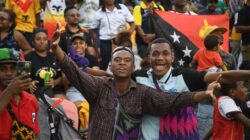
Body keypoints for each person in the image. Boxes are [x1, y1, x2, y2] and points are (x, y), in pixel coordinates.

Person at [50, 28, 220, 139]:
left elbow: (172, 100)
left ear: (133, 67)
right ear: (111, 65)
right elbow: (75, 73)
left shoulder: (142, 92)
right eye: (117, 60)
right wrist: (57, 49)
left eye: (126, 60)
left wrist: (203, 94)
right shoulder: (99, 87)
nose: (122, 63)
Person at [133, 37, 250, 140]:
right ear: (148, 58)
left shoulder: (184, 76)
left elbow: (222, 76)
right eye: (155, 54)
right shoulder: (139, 76)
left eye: (165, 53)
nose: (160, 57)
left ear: (172, 57)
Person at [0, 48, 39, 139]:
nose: (9, 73)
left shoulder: (31, 100)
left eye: (13, 68)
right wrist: (10, 90)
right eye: (2, 69)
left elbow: (35, 133)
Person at [90, 0, 135, 70]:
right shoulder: (98, 13)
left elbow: (132, 24)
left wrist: (127, 34)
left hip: (121, 41)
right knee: (105, 64)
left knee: (125, 62)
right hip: (106, 42)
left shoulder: (123, 8)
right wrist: (96, 49)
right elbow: (92, 31)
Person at [25, 28, 64, 97]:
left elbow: (63, 77)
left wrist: (54, 82)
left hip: (56, 91)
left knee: (61, 104)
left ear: (47, 41)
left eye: (45, 39)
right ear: (33, 42)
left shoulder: (55, 56)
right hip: (36, 92)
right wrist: (29, 84)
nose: (42, 41)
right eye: (38, 39)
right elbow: (22, 78)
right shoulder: (27, 58)